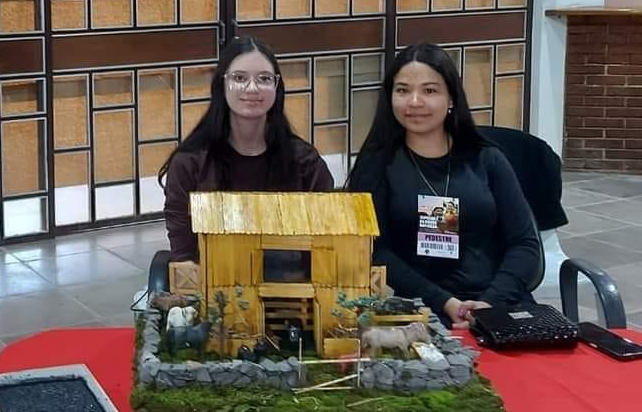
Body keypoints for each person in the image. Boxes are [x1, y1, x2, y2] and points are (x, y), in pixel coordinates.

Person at [348, 43, 541, 327]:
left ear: (451, 98)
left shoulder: (487, 158)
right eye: (402, 90)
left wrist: (489, 303)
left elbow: (524, 244)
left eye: (430, 90)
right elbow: (374, 250)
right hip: (417, 311)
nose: (414, 102)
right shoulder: (376, 164)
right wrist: (446, 303)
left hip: (498, 303)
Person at [159, 36, 334, 262]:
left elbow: (327, 242)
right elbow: (184, 255)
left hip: (291, 286)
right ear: (222, 84)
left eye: (264, 79)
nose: (252, 88)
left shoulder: (306, 162)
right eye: (240, 78)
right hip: (211, 285)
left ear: (276, 85)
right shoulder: (190, 163)